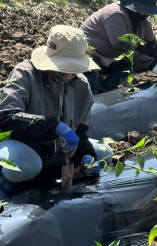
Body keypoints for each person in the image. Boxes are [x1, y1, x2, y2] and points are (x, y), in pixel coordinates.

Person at [0, 25, 113, 193]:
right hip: (26, 147)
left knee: (104, 152)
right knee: (23, 165)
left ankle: (47, 179)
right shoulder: (26, 73)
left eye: (74, 69)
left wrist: (86, 154)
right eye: (65, 67)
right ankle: (6, 187)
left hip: (58, 152)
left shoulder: (81, 84)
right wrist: (54, 127)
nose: (69, 75)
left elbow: (80, 131)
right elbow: (6, 116)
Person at [80, 0, 157, 94]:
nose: (147, 14)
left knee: (147, 53)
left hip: (114, 58)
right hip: (94, 58)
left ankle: (108, 85)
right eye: (144, 10)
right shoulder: (114, 14)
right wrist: (151, 65)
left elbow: (153, 44)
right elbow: (122, 46)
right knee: (89, 60)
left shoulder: (144, 20)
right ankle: (92, 95)